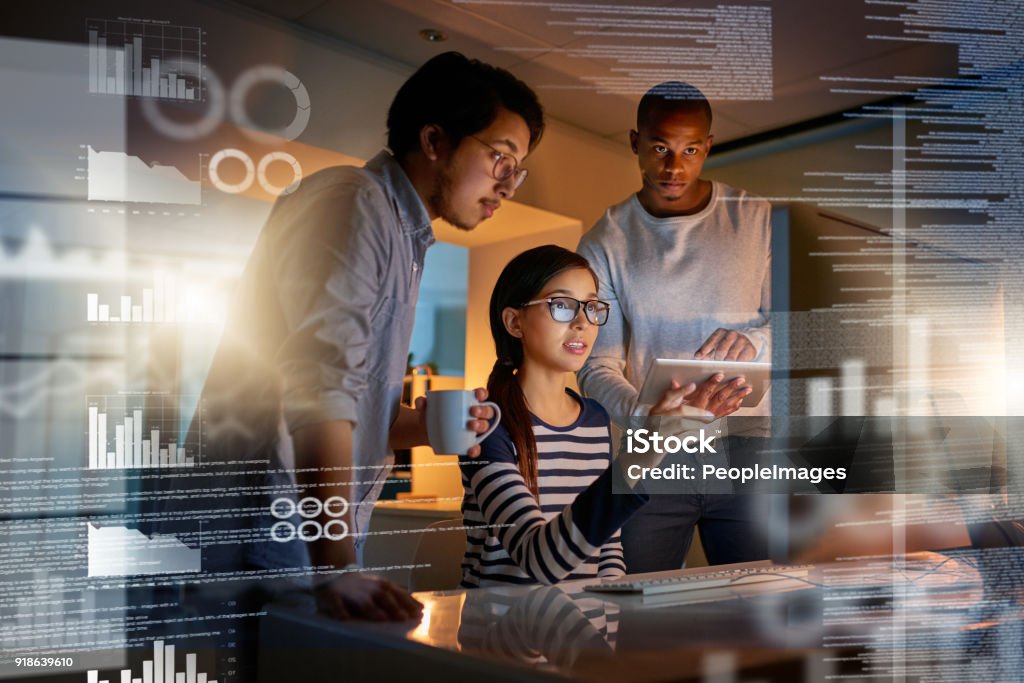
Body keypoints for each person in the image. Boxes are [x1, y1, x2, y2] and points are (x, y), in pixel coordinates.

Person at [184, 52, 545, 620]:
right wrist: (335, 566)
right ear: (434, 140)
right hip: (256, 539)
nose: (507, 184)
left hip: (293, 541)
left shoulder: (406, 238)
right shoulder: (355, 201)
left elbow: (352, 405)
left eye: (516, 169)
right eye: (499, 157)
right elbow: (318, 389)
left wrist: (423, 425)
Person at [576, 81, 771, 572]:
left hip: (748, 449)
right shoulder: (605, 239)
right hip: (654, 453)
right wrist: (648, 418)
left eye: (689, 150)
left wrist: (754, 341)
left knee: (758, 607)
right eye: (660, 148)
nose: (673, 166)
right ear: (635, 142)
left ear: (707, 146)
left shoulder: (756, 218)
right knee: (638, 610)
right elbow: (595, 365)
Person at [460, 245, 681, 587]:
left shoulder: (594, 417)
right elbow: (538, 561)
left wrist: (609, 616)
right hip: (502, 631)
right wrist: (644, 452)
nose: (583, 323)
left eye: (592, 307)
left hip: (586, 631)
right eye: (562, 306)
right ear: (514, 322)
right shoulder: (483, 423)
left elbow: (607, 549)